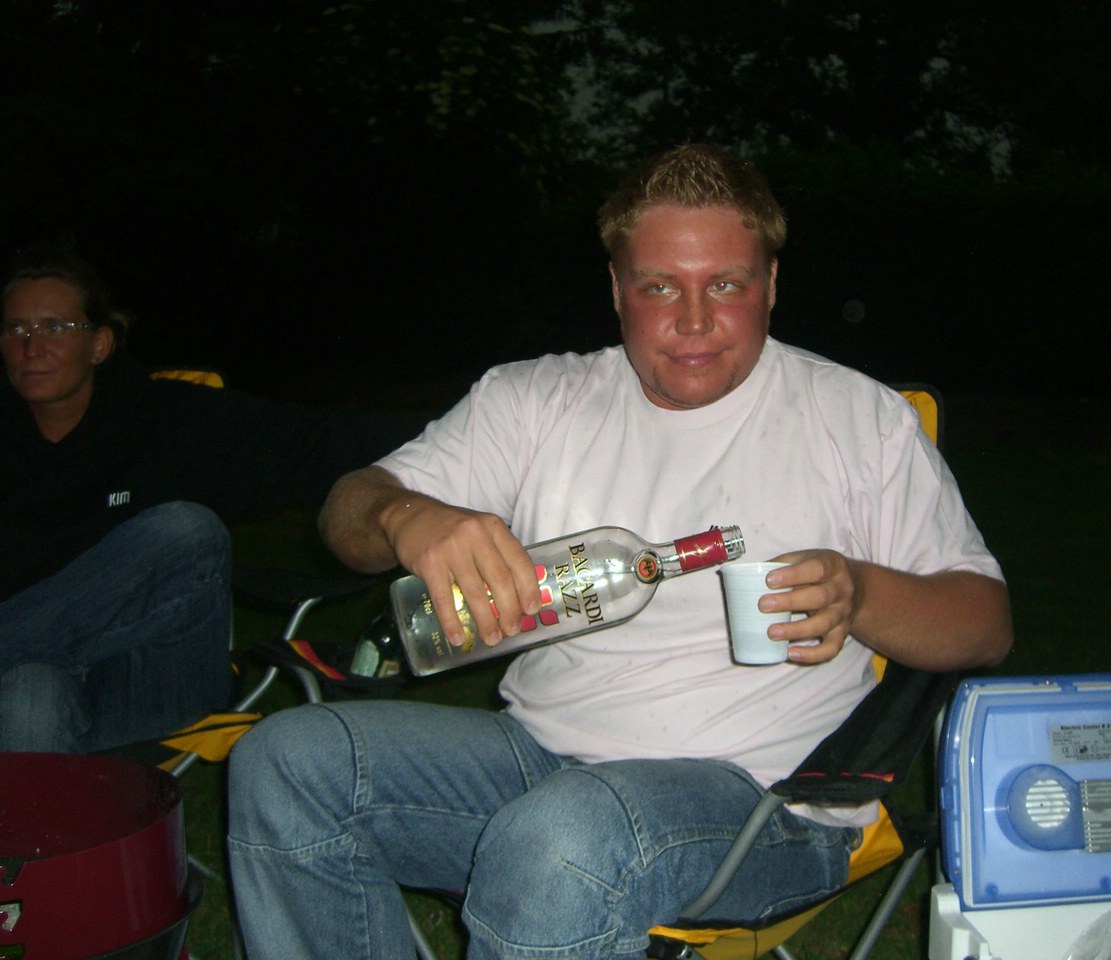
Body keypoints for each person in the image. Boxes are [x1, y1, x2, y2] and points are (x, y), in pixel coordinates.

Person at [227, 143, 1014, 960]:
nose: (695, 320)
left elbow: (985, 624)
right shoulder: (534, 402)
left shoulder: (858, 419)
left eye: (727, 285)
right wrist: (405, 516)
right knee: (287, 761)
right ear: (616, 289)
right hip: (540, 758)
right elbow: (348, 511)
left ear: (772, 285)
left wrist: (863, 593)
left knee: (564, 839)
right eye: (660, 286)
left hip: (762, 803)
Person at [0, 243, 421, 753]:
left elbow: (310, 443)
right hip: (36, 675)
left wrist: (458, 438)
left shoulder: (164, 420)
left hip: (158, 679)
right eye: (16, 329)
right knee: (28, 696)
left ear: (100, 344)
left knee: (185, 532)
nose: (31, 347)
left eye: (55, 327)